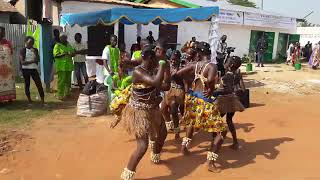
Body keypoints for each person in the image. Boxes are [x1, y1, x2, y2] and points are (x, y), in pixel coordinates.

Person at [114, 46, 167, 180]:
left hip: (152, 108)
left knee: (163, 132)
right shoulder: (139, 71)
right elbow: (155, 82)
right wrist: (162, 64)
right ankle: (127, 174)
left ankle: (155, 153)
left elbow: (165, 86)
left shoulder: (146, 66)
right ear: (150, 58)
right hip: (139, 112)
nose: (157, 59)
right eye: (155, 58)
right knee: (142, 146)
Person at [175, 42, 227, 173]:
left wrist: (186, 83)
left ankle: (184, 147)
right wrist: (210, 89)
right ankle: (210, 162)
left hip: (192, 99)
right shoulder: (212, 66)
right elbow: (210, 81)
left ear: (198, 53)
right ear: (209, 53)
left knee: (191, 123)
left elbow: (176, 74)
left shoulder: (193, 65)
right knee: (221, 132)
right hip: (204, 102)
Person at [214, 56, 245, 150]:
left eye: (227, 62)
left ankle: (214, 143)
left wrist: (214, 92)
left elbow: (226, 90)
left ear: (230, 65)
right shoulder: (238, 74)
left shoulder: (227, 76)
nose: (225, 63)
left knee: (215, 120)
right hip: (233, 100)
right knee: (229, 120)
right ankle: (235, 142)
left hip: (223, 102)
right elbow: (241, 88)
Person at [161, 50, 184, 140]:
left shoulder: (182, 68)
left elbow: (183, 81)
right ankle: (169, 123)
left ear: (179, 60)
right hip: (168, 90)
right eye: (172, 59)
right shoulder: (168, 67)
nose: (173, 61)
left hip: (178, 91)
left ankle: (177, 131)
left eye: (175, 60)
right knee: (163, 109)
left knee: (174, 111)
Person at [19, 36, 45, 105]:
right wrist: (32, 61)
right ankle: (29, 100)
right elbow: (22, 62)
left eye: (32, 43)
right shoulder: (22, 50)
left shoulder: (35, 50)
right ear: (26, 42)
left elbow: (38, 59)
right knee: (27, 84)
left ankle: (42, 100)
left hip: (33, 69)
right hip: (25, 70)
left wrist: (35, 54)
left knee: (39, 84)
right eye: (30, 43)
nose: (31, 44)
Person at [53, 33, 75, 100]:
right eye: (62, 38)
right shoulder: (57, 45)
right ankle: (60, 95)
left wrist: (72, 54)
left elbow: (73, 53)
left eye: (65, 38)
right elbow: (55, 55)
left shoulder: (68, 45)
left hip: (69, 66)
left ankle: (67, 93)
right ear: (60, 38)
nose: (64, 39)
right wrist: (64, 53)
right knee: (61, 81)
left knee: (68, 81)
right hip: (61, 66)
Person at [0, 26, 16, 102]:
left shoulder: (7, 42)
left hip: (7, 68)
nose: (3, 33)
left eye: (4, 32)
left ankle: (9, 97)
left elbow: (11, 53)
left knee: (9, 82)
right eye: (1, 31)